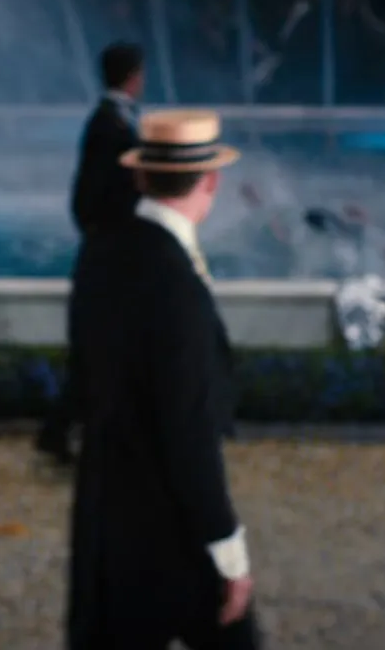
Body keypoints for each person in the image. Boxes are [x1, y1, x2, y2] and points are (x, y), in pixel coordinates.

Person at [66, 110, 258, 649]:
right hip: (174, 528)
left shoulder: (100, 252)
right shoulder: (178, 284)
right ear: (211, 181)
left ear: (140, 175)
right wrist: (227, 546)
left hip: (105, 518)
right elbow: (189, 430)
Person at [38, 41, 146, 465]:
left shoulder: (110, 120)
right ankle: (70, 432)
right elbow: (93, 193)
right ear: (133, 76)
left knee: (98, 347)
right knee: (101, 346)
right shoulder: (110, 124)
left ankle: (66, 431)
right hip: (108, 249)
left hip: (106, 246)